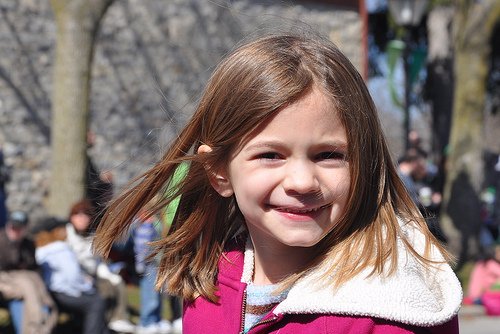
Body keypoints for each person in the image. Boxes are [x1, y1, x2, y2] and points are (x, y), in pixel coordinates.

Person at [93, 33, 462, 333]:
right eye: (270, 155)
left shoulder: (388, 315)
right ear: (219, 172)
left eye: (328, 155)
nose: (302, 181)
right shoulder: (211, 286)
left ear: (364, 164)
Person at [66, 200, 135, 333]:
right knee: (104, 292)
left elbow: (97, 262)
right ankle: (103, 326)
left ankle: (117, 319)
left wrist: (109, 276)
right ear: (71, 217)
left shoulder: (92, 237)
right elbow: (69, 264)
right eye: (77, 215)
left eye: (85, 215)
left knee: (117, 283)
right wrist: (83, 277)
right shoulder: (67, 236)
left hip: (93, 275)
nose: (81, 219)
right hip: (76, 279)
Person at [33, 217, 110, 334]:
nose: (66, 232)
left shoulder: (40, 249)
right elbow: (72, 276)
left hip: (48, 292)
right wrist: (87, 285)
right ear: (55, 231)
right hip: (62, 293)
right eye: (63, 229)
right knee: (96, 302)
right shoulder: (61, 249)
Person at [0, 211, 58, 334]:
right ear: (7, 226)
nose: (15, 230)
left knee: (39, 302)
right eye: (12, 227)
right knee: (23, 302)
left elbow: (34, 268)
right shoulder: (1, 241)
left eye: (19, 228)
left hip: (27, 289)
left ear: (26, 229)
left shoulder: (29, 244)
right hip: (8, 288)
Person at [132, 211, 180, 334]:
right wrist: (141, 263)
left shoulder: (160, 221)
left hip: (159, 263)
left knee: (157, 296)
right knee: (151, 296)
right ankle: (147, 322)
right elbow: (141, 246)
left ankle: (155, 320)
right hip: (150, 265)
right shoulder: (147, 223)